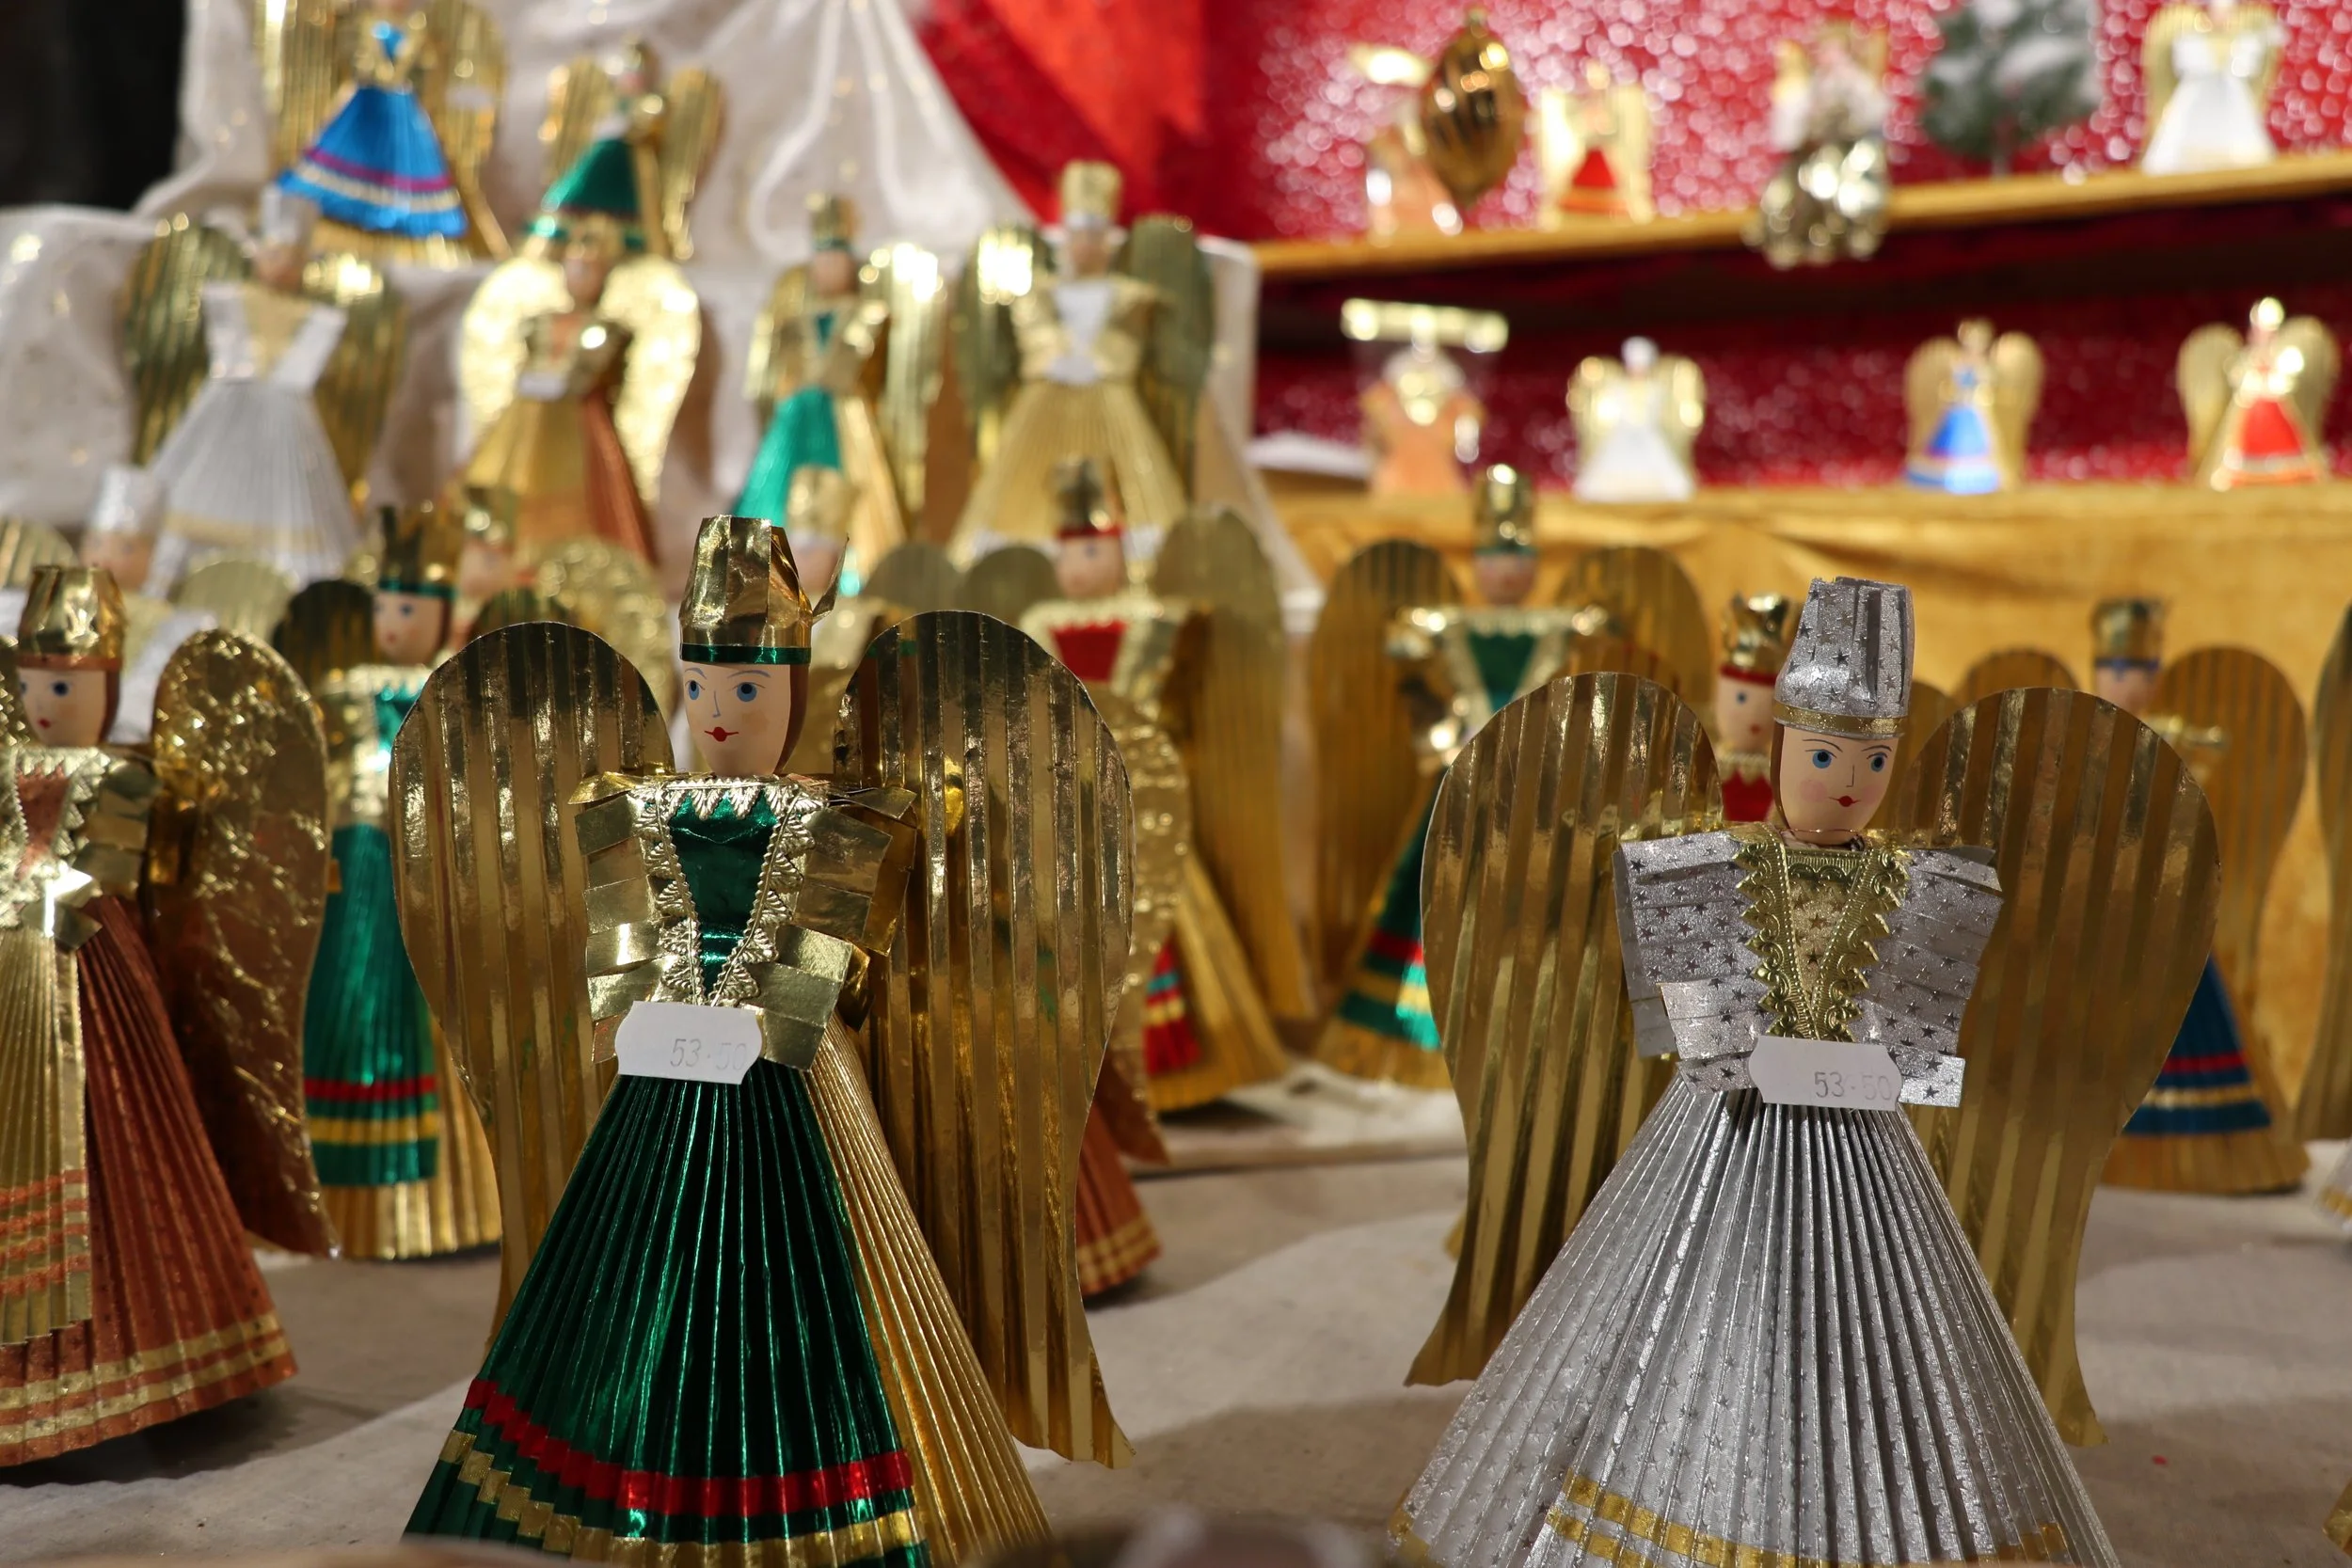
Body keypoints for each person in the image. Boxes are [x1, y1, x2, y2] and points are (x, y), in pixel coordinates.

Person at [1392, 576, 2121, 1568]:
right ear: (1777, 747)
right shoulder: (1701, 868)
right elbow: (1706, 1042)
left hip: (1866, 1161)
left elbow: (1912, 1053)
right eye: (1822, 754)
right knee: (1699, 1319)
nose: (1848, 783)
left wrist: (1880, 1069)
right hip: (1720, 1150)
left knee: (1875, 1342)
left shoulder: (1928, 885)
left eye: (1872, 760)